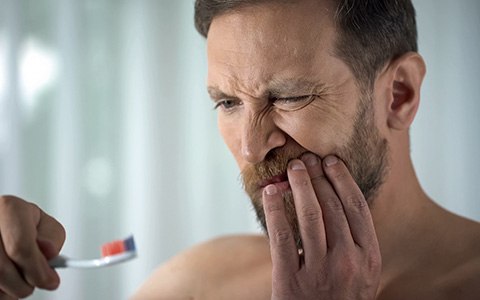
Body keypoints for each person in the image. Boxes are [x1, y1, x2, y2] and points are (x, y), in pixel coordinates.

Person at [1, 0, 479, 299]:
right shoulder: (198, 283)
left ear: (399, 94)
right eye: (227, 102)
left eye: (289, 96)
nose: (251, 147)